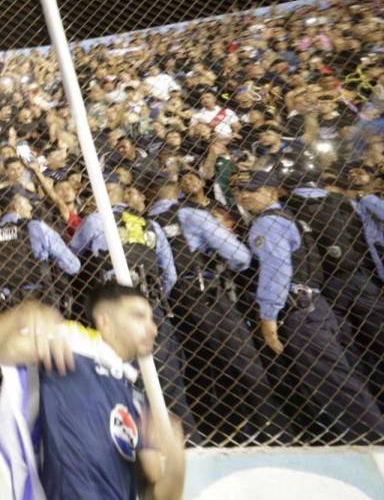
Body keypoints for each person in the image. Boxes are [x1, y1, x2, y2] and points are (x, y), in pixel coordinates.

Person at [0, 283, 187, 500]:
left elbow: (156, 496)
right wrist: (23, 314)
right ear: (105, 321)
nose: (153, 328)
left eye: (151, 319)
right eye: (139, 317)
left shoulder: (137, 400)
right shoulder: (71, 346)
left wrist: (176, 459)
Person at [234, 170, 384, 442]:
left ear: (272, 191)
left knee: (333, 382)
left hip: (298, 308)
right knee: (343, 374)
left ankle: (372, 438)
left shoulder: (267, 224)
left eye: (252, 189)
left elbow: (276, 270)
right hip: (316, 306)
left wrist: (268, 317)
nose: (245, 195)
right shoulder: (286, 216)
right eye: (241, 190)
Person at [146, 175, 289, 443]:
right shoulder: (190, 214)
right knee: (242, 362)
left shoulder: (145, 221)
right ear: (177, 191)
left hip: (173, 302)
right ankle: (274, 431)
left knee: (201, 369)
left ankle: (221, 432)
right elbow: (239, 256)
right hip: (207, 294)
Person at [70, 184, 194, 436]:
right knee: (168, 379)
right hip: (151, 305)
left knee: (125, 378)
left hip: (117, 308)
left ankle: (135, 442)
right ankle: (188, 441)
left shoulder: (96, 221)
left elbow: (72, 256)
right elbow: (169, 273)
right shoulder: (151, 225)